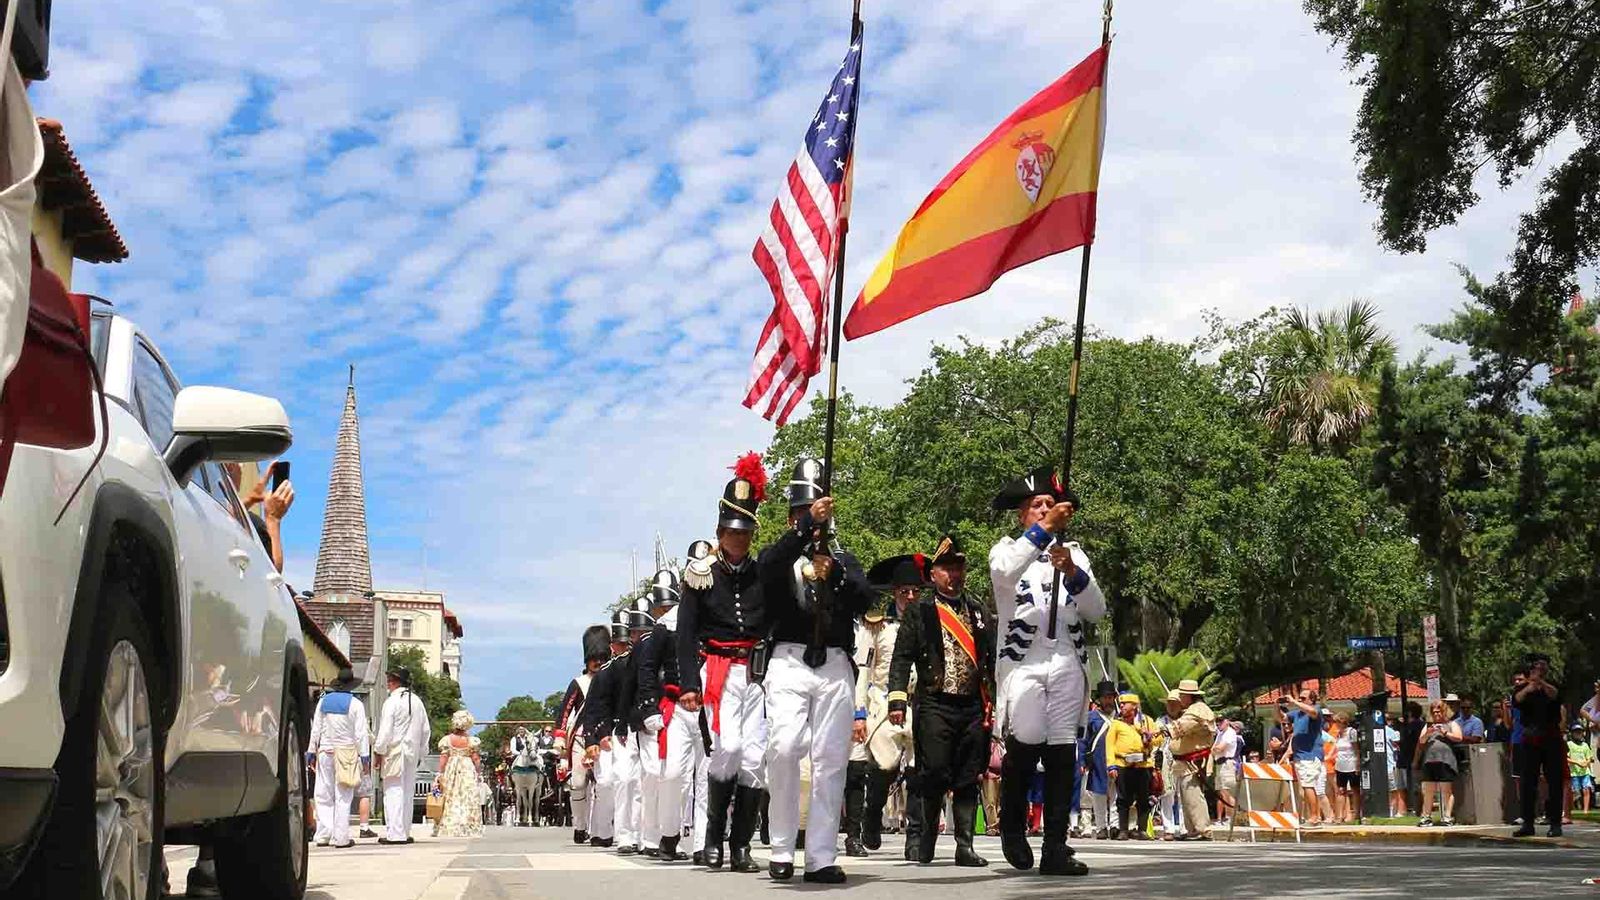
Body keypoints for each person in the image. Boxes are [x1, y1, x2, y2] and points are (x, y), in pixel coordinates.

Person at [675, 453, 815, 873]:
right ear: (720, 533)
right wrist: (688, 684)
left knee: (756, 758)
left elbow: (775, 616)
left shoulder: (761, 573)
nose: (740, 540)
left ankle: (740, 846)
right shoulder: (700, 574)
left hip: (755, 670)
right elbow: (685, 632)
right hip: (717, 670)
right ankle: (713, 839)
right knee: (728, 749)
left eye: (746, 532)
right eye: (733, 533)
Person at [988, 465, 1107, 877]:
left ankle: (1056, 845)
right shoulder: (1006, 550)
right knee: (1024, 745)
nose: (1044, 510)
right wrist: (1041, 533)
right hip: (1024, 663)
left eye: (1049, 504)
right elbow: (1004, 574)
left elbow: (1096, 610)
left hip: (1065, 662)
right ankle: (1013, 827)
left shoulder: (1073, 551)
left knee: (1061, 753)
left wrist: (1072, 572)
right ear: (1022, 515)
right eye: (1036, 506)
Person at [761, 458, 873, 884]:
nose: (811, 521)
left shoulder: (843, 558)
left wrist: (837, 572)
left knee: (830, 761)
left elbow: (865, 598)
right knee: (785, 747)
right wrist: (805, 528)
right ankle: (781, 846)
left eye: (817, 513)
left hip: (834, 664)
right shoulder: (780, 555)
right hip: (788, 659)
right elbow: (767, 569)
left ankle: (821, 856)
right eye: (801, 514)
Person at [886, 535, 994, 869]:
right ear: (933, 574)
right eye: (946, 568)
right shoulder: (921, 610)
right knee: (933, 772)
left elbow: (988, 657)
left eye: (958, 567)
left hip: (972, 705)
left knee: (968, 774)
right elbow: (902, 657)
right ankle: (926, 837)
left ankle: (965, 845)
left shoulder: (977, 609)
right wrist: (897, 700)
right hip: (934, 703)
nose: (954, 574)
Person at [851, 554, 925, 859]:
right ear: (893, 593)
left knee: (919, 770)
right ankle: (872, 813)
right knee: (883, 767)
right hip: (883, 703)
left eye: (915, 592)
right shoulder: (877, 626)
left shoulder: (928, 621)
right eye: (903, 591)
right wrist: (859, 711)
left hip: (919, 702)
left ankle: (916, 836)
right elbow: (864, 672)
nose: (909, 597)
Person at [635, 566, 694, 861]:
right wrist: (648, 706)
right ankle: (668, 836)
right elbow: (648, 668)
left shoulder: (712, 614)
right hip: (677, 706)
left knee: (710, 777)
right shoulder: (664, 626)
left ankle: (704, 843)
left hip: (710, 706)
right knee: (671, 774)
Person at [579, 610, 641, 851]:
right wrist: (594, 739)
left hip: (637, 731)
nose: (624, 647)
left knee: (631, 781)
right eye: (620, 643)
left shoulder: (642, 667)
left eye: (628, 642)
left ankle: (632, 834)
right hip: (611, 731)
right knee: (605, 783)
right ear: (612, 645)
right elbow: (593, 710)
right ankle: (602, 830)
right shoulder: (605, 674)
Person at [554, 624, 613, 844]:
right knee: (578, 783)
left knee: (604, 785)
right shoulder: (579, 683)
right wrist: (560, 739)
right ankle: (580, 825)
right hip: (580, 739)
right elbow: (565, 711)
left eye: (601, 657)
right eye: (594, 658)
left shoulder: (612, 678)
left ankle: (600, 828)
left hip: (605, 738)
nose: (598, 662)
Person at [308, 667, 370, 849]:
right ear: (351, 685)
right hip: (347, 752)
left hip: (325, 751)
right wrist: (365, 757)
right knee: (343, 795)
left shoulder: (323, 702)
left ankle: (323, 834)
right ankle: (341, 837)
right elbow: (361, 734)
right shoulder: (356, 704)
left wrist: (311, 751)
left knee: (323, 794)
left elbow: (316, 729)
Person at [374, 666, 431, 844]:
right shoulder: (417, 701)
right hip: (412, 752)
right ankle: (404, 830)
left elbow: (385, 731)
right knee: (407, 792)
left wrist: (378, 751)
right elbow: (425, 730)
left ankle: (396, 833)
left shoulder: (391, 702)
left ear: (393, 682)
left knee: (393, 791)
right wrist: (422, 751)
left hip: (395, 750)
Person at [1514, 655, 1566, 837]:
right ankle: (1528, 823)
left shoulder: (1552, 685)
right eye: (1537, 666)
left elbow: (1556, 696)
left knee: (1554, 782)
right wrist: (1530, 685)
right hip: (1531, 738)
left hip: (1551, 737)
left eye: (1543, 666)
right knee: (1528, 783)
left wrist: (1541, 683)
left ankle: (1555, 823)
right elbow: (1517, 700)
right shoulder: (1524, 688)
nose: (1540, 668)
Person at [1166, 681, 1216, 840]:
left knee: (1193, 795)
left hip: (1194, 760)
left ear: (1189, 695)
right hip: (1186, 760)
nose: (1180, 698)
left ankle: (1203, 830)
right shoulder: (1193, 710)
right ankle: (1193, 829)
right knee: (1187, 796)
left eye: (1181, 695)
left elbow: (1180, 727)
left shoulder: (1197, 711)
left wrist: (1162, 730)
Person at [1106, 693, 1154, 840]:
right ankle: (1123, 830)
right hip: (1123, 764)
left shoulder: (1146, 721)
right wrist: (1111, 765)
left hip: (1142, 764)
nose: (1121, 706)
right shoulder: (1116, 724)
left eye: (1124, 704)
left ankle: (1142, 829)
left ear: (1134, 706)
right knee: (1123, 798)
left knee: (1143, 798)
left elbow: (1158, 739)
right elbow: (1109, 745)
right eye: (1120, 704)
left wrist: (1149, 738)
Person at [434, 710, 484, 838]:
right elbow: (476, 759)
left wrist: (439, 773)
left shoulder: (447, 740)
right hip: (467, 767)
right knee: (467, 796)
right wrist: (478, 772)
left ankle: (450, 824)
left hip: (452, 768)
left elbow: (444, 757)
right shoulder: (471, 741)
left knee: (451, 795)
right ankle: (467, 824)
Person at [1283, 687, 1326, 826]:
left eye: (1303, 698)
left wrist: (1294, 701)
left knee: (1308, 786)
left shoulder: (1316, 710)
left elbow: (1312, 712)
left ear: (1311, 700)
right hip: (1299, 756)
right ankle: (1314, 816)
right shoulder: (1296, 714)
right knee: (1305, 789)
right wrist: (1276, 706)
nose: (1300, 700)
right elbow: (1282, 718)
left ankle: (1315, 817)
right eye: (1299, 698)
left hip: (1310, 755)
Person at [1415, 700, 1461, 827]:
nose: (1436, 714)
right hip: (1429, 760)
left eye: (1438, 711)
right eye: (1434, 711)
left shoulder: (1452, 724)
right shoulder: (1428, 726)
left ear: (1444, 711)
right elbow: (1421, 741)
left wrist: (1444, 732)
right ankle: (1426, 817)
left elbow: (1459, 737)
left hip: (1445, 760)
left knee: (1446, 790)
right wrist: (1429, 733)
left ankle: (1447, 817)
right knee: (1428, 790)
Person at [1081, 682, 1117, 839]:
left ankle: (1115, 826)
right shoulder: (1091, 718)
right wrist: (1082, 761)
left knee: (1116, 795)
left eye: (1111, 697)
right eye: (1106, 698)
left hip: (1117, 760)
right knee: (1098, 794)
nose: (1108, 701)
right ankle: (1101, 826)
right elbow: (1083, 740)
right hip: (1097, 760)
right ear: (1100, 700)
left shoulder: (1119, 717)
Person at [508, 726, 542, 827]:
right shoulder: (515, 739)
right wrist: (521, 753)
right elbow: (512, 749)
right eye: (520, 730)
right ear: (518, 731)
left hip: (530, 755)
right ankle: (510, 782)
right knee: (510, 765)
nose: (522, 732)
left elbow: (534, 747)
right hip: (519, 755)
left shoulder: (529, 739)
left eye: (523, 730)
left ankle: (539, 776)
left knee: (539, 763)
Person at [1211, 719, 1241, 824]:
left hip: (1227, 763)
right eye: (1217, 721)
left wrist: (1214, 749)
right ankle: (1222, 818)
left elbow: (1219, 748)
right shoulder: (1220, 734)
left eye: (1221, 721)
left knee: (1228, 791)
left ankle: (1230, 818)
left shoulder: (1230, 733)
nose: (1218, 723)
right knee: (1221, 792)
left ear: (1227, 722)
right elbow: (1214, 748)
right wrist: (1214, 749)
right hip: (1219, 764)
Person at [1332, 713, 1359, 824]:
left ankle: (1356, 814)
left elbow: (1356, 749)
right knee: (1340, 790)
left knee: (1355, 789)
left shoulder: (1351, 732)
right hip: (1340, 765)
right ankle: (1339, 816)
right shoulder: (1338, 734)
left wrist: (1358, 764)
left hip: (1351, 764)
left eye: (1337, 722)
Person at [1399, 701, 1425, 815]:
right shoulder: (1422, 725)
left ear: (1409, 713)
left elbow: (1412, 744)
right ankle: (1418, 809)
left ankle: (1419, 810)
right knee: (1417, 785)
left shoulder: (1413, 726)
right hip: (1416, 758)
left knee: (1416, 786)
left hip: (1413, 759)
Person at [1567, 725, 1594, 815]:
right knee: (1574, 791)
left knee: (1586, 789)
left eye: (1580, 732)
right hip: (1574, 772)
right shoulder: (1569, 744)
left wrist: (1586, 763)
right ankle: (1571, 809)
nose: (1578, 734)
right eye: (1576, 732)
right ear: (1572, 733)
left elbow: (1589, 757)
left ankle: (1585, 810)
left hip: (1585, 772)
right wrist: (1577, 763)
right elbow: (1566, 758)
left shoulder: (1585, 745)